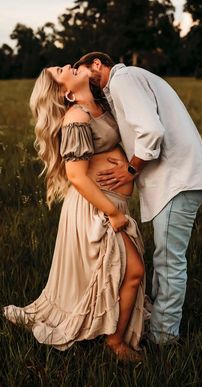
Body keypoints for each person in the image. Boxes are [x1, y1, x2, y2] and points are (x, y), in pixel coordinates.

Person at [3, 64, 145, 362]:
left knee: (112, 273)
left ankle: (109, 331)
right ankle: (116, 343)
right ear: (66, 92)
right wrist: (112, 214)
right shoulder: (76, 118)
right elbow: (77, 176)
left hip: (112, 203)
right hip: (95, 208)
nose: (68, 65)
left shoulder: (98, 105)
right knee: (133, 271)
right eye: (60, 69)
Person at [74, 52, 202, 344]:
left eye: (82, 72)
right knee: (165, 258)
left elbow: (151, 131)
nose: (82, 80)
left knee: (168, 261)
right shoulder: (127, 83)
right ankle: (158, 325)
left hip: (176, 180)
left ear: (97, 65)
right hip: (177, 179)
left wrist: (130, 169)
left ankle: (163, 338)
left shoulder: (124, 79)